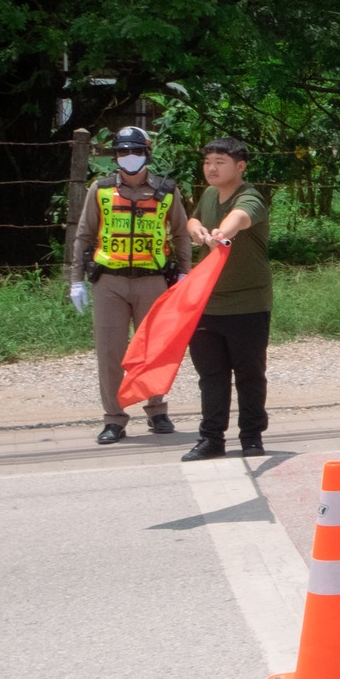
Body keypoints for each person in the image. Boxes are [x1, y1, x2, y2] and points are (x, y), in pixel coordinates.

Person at [69, 125, 193, 445]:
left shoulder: (166, 191)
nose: (129, 157)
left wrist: (184, 275)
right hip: (109, 281)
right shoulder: (101, 189)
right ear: (115, 156)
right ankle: (114, 419)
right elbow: (84, 235)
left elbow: (180, 234)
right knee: (110, 353)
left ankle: (157, 410)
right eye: (123, 152)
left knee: (153, 350)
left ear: (147, 153)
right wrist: (75, 281)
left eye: (135, 151)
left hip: (153, 280)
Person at [180, 138, 272, 461]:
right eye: (207, 162)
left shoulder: (250, 196)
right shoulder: (208, 194)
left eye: (220, 161)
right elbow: (193, 218)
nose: (211, 168)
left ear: (240, 166)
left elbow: (242, 218)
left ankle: (251, 436)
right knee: (211, 376)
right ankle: (211, 439)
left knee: (249, 373)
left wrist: (222, 233)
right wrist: (195, 229)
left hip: (248, 304)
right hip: (206, 303)